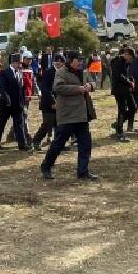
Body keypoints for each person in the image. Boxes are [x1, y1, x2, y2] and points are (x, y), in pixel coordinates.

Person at [39, 50, 98, 182]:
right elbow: (58, 88)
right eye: (78, 60)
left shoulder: (83, 71)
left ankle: (83, 172)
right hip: (68, 115)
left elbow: (93, 82)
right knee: (58, 144)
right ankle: (46, 166)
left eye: (82, 60)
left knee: (85, 144)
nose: (81, 62)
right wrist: (78, 88)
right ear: (70, 60)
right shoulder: (61, 72)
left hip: (82, 114)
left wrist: (90, 86)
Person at [0, 53, 31, 150]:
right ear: (13, 62)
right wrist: (6, 98)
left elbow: (21, 89)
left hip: (18, 104)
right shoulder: (4, 72)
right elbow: (2, 87)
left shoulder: (20, 73)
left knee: (19, 124)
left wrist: (23, 102)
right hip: (6, 104)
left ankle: (22, 144)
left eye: (21, 63)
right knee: (1, 123)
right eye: (19, 63)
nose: (20, 65)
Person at [30, 54, 61, 148]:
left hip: (58, 102)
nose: (62, 65)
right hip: (48, 103)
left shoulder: (62, 72)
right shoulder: (48, 72)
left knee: (59, 124)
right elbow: (45, 89)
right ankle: (36, 141)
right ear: (57, 62)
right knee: (47, 124)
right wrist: (53, 102)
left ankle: (58, 144)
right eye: (61, 63)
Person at [109, 46, 137, 142]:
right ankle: (119, 132)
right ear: (127, 55)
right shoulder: (117, 61)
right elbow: (119, 75)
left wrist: (132, 80)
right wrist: (129, 82)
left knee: (133, 107)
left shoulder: (126, 62)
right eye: (131, 57)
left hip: (126, 89)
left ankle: (117, 125)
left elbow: (127, 74)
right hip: (119, 90)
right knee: (122, 110)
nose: (131, 60)